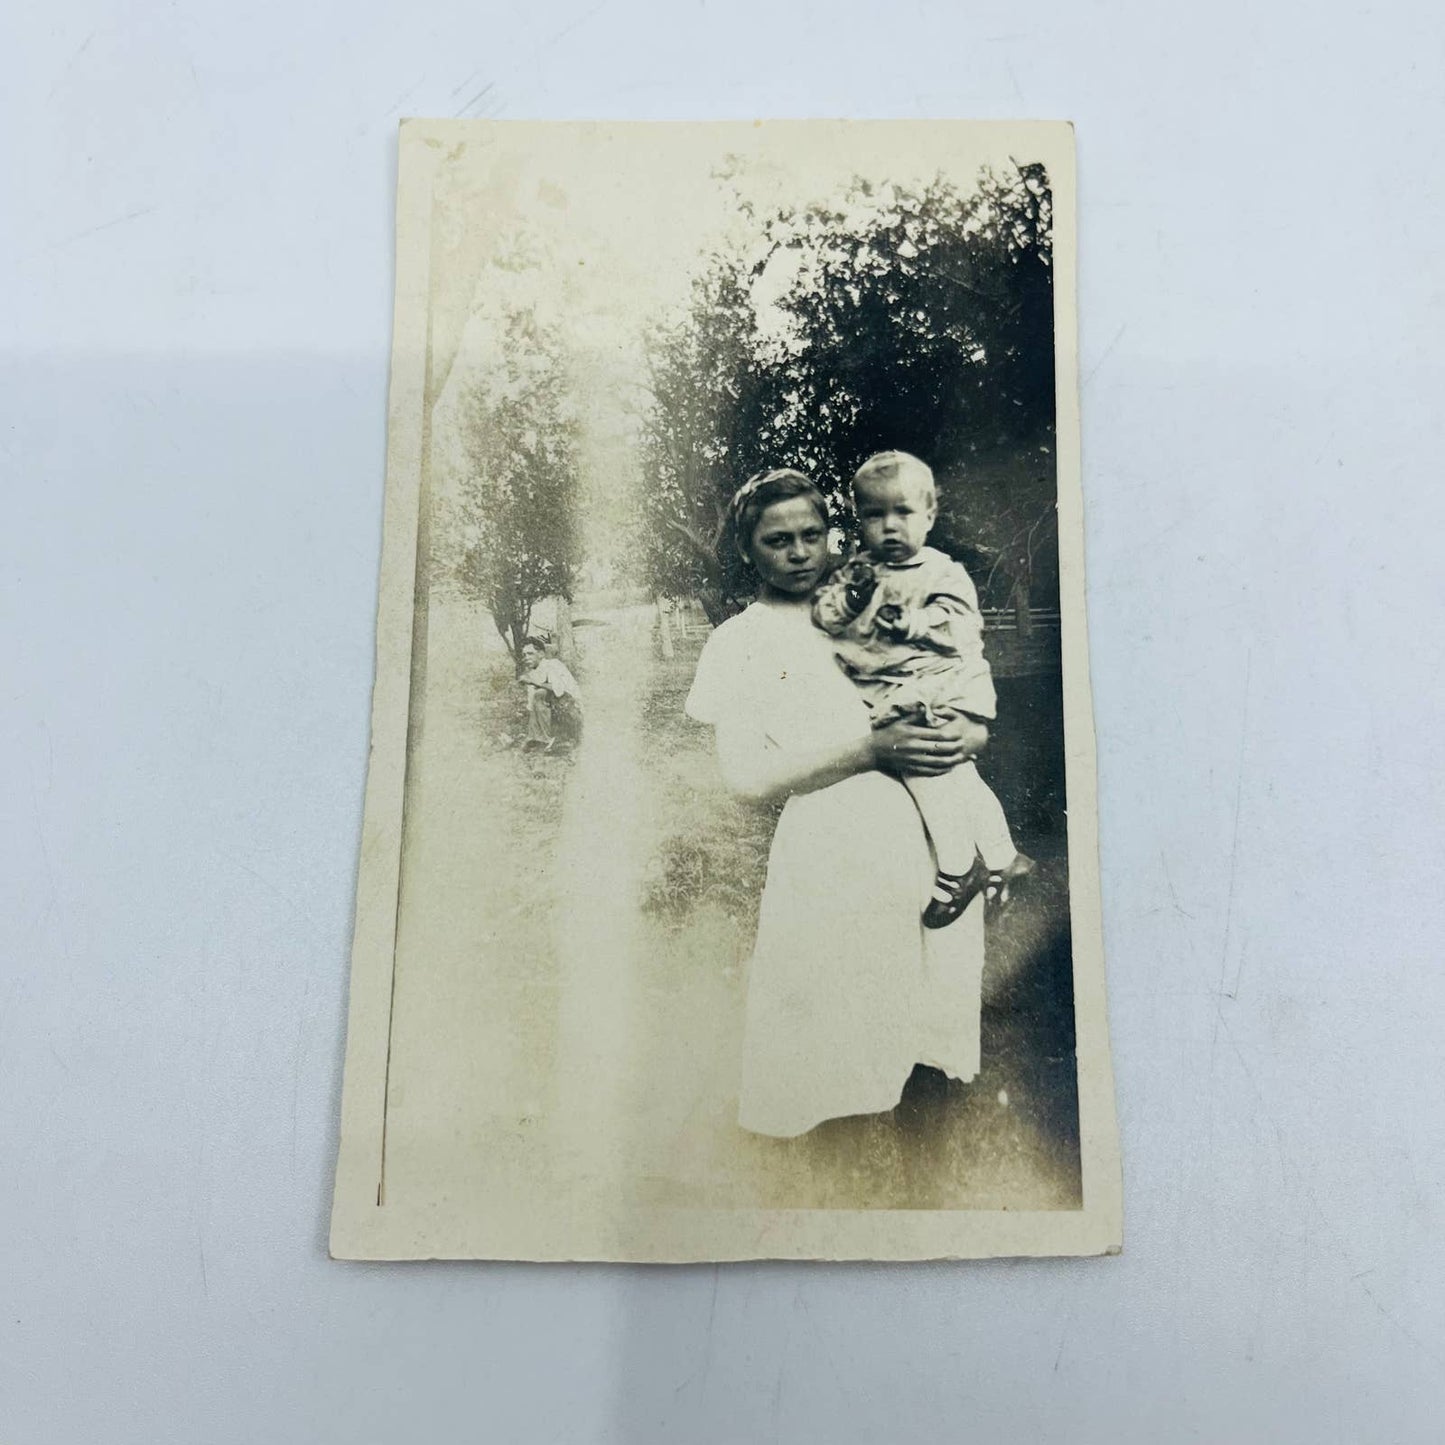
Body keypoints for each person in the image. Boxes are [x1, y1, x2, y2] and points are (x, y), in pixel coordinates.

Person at [684, 468, 990, 1139]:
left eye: (811, 534)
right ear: (746, 549)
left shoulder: (874, 603)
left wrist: (966, 732)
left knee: (924, 1038)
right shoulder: (738, 642)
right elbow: (744, 779)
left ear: (832, 533)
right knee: (832, 1044)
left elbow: (955, 690)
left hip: (924, 847)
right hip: (830, 851)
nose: (798, 551)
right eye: (777, 540)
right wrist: (869, 750)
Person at [811, 450, 1035, 928]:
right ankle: (1002, 855)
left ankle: (958, 867)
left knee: (923, 766)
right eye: (874, 514)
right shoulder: (857, 571)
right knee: (962, 775)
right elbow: (824, 615)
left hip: (935, 684)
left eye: (904, 512)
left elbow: (961, 629)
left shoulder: (942, 572)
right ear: (859, 519)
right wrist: (847, 603)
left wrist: (914, 621)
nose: (889, 526)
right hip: (888, 684)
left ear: (929, 515)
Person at [517, 637, 582, 752]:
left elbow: (558, 690)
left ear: (541, 654)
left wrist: (532, 682)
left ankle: (551, 739)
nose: (526, 658)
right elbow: (531, 707)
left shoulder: (552, 664)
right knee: (538, 695)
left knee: (541, 693)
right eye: (524, 655)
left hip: (571, 709)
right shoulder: (532, 673)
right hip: (554, 711)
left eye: (530, 654)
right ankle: (538, 739)